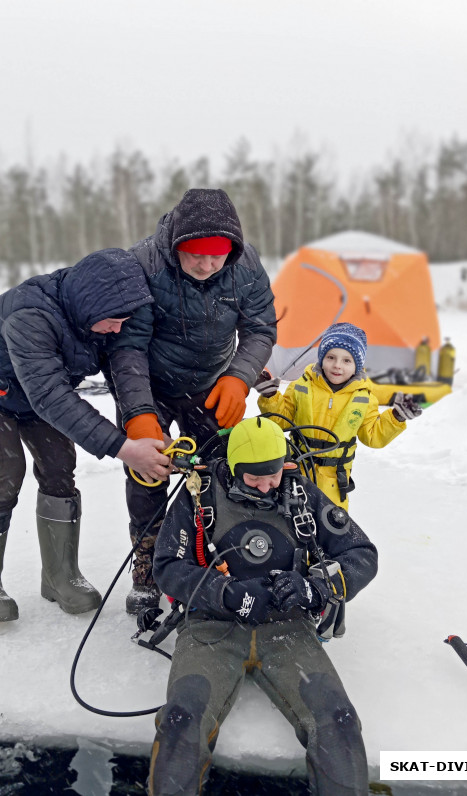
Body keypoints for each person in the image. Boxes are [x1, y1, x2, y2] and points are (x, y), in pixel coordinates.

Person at [148, 416, 378, 796]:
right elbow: (168, 568)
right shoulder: (198, 495)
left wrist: (314, 589)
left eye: (272, 474)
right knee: (181, 719)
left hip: (287, 629)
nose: (267, 484)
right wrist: (224, 593)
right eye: (254, 477)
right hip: (211, 626)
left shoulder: (300, 493)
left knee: (338, 720)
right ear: (234, 467)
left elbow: (362, 554)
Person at [0, 249, 171, 624]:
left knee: (59, 468)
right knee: (5, 477)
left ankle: (59, 577)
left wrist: (141, 420)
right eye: (114, 322)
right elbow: (51, 397)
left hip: (34, 388)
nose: (118, 329)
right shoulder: (31, 317)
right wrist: (122, 448)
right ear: (89, 307)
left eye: (124, 321)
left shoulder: (100, 316)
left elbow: (123, 369)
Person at [111, 188, 277, 614]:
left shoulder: (246, 265)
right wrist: (140, 414)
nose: (206, 265)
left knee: (219, 470)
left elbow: (261, 329)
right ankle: (147, 571)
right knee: (148, 477)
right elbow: (127, 348)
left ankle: (219, 560)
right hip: (150, 385)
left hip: (212, 384)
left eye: (217, 255)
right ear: (176, 245)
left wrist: (239, 378)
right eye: (196, 254)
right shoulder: (142, 265)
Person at [256, 321, 422, 509]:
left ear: (357, 365)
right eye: (331, 357)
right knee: (293, 520)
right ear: (321, 358)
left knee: (332, 526)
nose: (337, 365)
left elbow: (373, 436)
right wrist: (270, 396)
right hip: (298, 473)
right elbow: (281, 421)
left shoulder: (364, 398)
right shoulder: (302, 386)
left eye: (346, 360)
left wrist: (396, 417)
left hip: (335, 481)